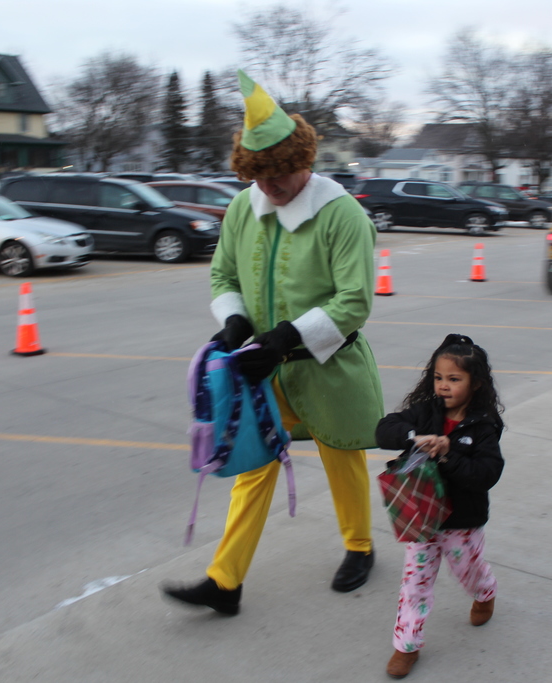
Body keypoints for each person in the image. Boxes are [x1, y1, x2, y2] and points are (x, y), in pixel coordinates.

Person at [161, 70, 384, 615]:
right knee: (254, 467)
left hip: (325, 364)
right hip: (261, 369)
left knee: (342, 457)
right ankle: (225, 582)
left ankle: (360, 546)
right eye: (258, 177)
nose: (268, 187)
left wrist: (286, 337)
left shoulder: (342, 214)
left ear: (302, 160)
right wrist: (235, 322)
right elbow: (223, 277)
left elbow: (355, 300)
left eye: (278, 174)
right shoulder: (243, 208)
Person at [375, 334, 505, 679]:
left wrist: (448, 455)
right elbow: (384, 429)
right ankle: (407, 645)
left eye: (454, 379)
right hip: (422, 518)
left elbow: (486, 473)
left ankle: (485, 592)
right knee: (415, 584)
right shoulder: (426, 412)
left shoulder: (483, 426)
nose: (443, 386)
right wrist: (412, 438)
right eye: (438, 377)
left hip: (462, 521)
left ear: (475, 383)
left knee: (469, 572)